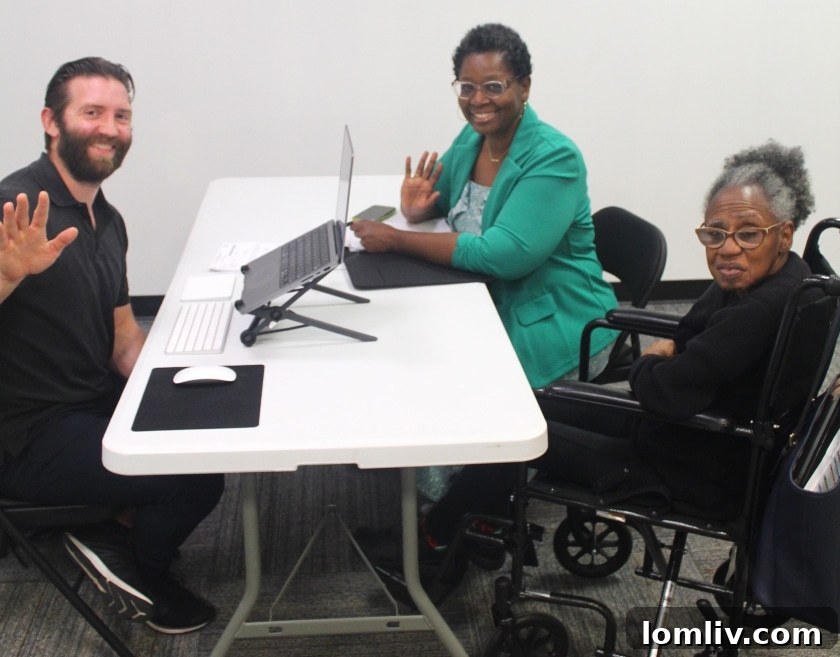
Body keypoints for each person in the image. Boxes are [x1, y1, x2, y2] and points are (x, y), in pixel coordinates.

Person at [351, 23, 618, 597]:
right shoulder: (473, 139)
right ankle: (440, 514)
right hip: (484, 301)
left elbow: (507, 254)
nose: (477, 101)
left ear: (523, 85)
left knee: (454, 393)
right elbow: (449, 199)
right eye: (465, 87)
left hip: (552, 321)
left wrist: (398, 239)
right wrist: (417, 207)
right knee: (406, 353)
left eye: (492, 86)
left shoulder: (554, 158)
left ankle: (444, 541)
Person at [0, 57, 224, 634]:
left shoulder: (109, 218)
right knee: (197, 476)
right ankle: (131, 562)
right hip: (27, 436)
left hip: (90, 400)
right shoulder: (16, 210)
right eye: (92, 112)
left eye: (121, 116)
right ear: (52, 121)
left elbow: (124, 334)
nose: (109, 128)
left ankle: (105, 522)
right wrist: (7, 276)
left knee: (217, 431)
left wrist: (183, 379)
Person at [536, 139, 816, 521]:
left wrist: (650, 359)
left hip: (696, 468)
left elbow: (667, 390)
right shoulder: (783, 275)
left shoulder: (759, 309)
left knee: (517, 435)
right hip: (686, 435)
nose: (728, 249)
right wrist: (673, 357)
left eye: (749, 233)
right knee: (536, 404)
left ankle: (443, 539)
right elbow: (689, 330)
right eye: (714, 233)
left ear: (784, 234)